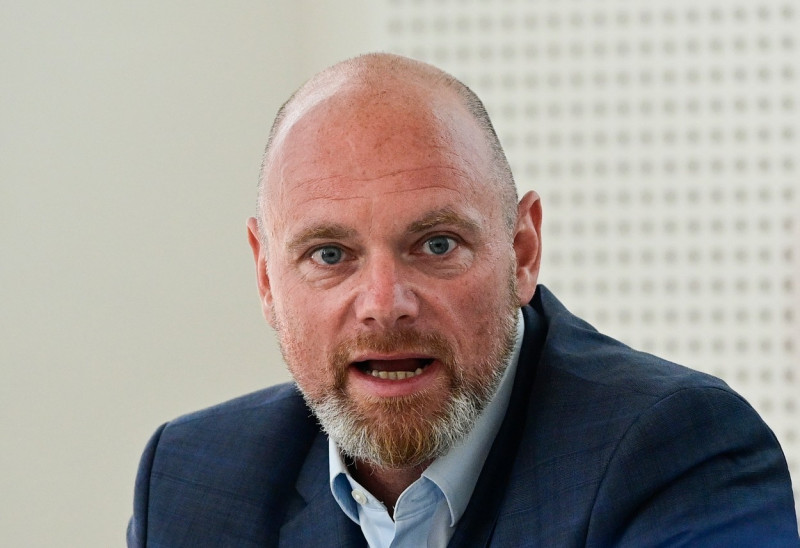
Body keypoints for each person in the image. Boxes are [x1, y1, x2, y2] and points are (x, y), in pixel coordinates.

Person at [128, 53, 799, 547]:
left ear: (523, 251)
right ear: (267, 278)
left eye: (437, 244)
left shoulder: (679, 452)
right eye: (330, 255)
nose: (384, 304)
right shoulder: (190, 482)